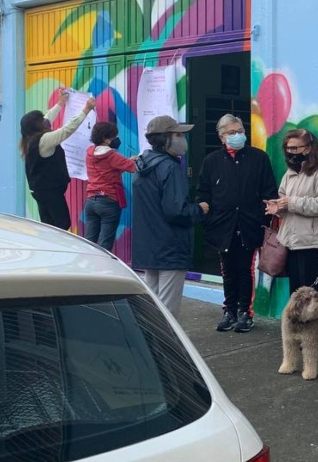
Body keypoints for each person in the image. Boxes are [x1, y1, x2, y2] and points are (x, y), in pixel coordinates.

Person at [197, 114, 278, 333]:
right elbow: (203, 194)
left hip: (249, 224)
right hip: (222, 225)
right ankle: (229, 311)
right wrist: (209, 218)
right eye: (232, 133)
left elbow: (269, 191)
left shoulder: (259, 158)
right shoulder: (212, 161)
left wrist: (263, 219)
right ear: (222, 137)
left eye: (240, 131)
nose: (237, 136)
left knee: (245, 269)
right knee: (227, 269)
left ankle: (245, 312)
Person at [131, 115, 208, 316]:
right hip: (170, 247)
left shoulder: (142, 165)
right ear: (165, 138)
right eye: (179, 134)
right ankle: (165, 347)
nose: (183, 139)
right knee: (167, 312)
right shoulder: (170, 167)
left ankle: (151, 345)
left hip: (150, 247)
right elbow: (176, 211)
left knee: (153, 308)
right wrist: (200, 209)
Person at [264, 129, 318, 293]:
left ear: (309, 148)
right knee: (295, 294)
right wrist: (278, 207)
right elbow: (284, 198)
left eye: (295, 148)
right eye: (288, 148)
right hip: (290, 243)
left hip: (311, 243)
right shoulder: (290, 172)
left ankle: (311, 321)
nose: (291, 153)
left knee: (309, 296)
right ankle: (296, 320)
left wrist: (291, 203)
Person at [20, 90, 95, 230]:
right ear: (37, 125)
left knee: (49, 225)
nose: (45, 121)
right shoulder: (43, 140)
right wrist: (86, 109)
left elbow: (47, 119)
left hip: (40, 190)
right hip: (49, 191)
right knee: (62, 224)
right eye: (41, 120)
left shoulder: (29, 138)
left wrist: (60, 103)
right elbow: (67, 130)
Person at [84, 121, 136, 252]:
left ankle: (87, 270)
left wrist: (127, 161)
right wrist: (135, 160)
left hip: (91, 201)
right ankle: (101, 271)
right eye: (114, 137)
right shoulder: (111, 155)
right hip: (108, 201)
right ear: (106, 139)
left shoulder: (90, 152)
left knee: (89, 243)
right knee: (104, 246)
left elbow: (108, 170)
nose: (116, 140)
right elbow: (133, 167)